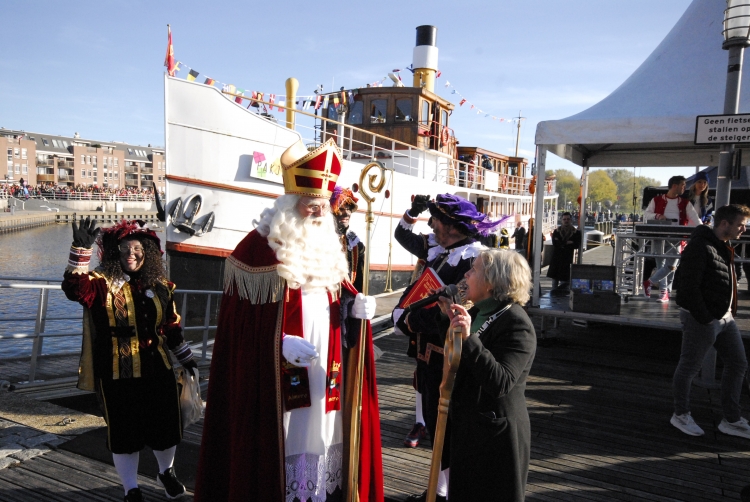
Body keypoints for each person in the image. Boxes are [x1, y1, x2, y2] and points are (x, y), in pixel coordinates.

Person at [194, 139, 383, 502]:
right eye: (310, 207)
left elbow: (338, 297)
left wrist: (356, 310)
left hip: (327, 371)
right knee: (286, 442)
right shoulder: (256, 249)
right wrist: (277, 344)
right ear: (288, 204)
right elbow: (238, 332)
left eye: (321, 208)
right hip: (278, 379)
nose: (316, 215)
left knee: (327, 435)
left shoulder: (329, 246)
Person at [62, 217, 196, 502]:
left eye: (137, 249)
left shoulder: (161, 286)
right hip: (116, 372)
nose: (131, 255)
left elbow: (171, 327)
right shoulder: (100, 285)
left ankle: (166, 472)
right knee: (125, 435)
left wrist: (187, 359)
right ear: (113, 253)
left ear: (147, 253)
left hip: (158, 369)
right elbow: (74, 290)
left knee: (166, 428)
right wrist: (79, 251)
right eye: (124, 249)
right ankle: (130, 489)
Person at [393, 193, 500, 502]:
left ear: (453, 226)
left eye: (437, 219)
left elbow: (459, 308)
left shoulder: (473, 260)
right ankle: (439, 491)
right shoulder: (446, 251)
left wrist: (408, 320)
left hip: (450, 358)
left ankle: (446, 494)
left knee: (450, 428)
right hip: (431, 354)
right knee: (437, 423)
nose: (433, 224)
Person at [436, 249, 536, 502]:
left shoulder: (516, 323)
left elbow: (500, 382)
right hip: (469, 428)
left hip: (495, 438)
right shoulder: (479, 312)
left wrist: (469, 338)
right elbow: (459, 360)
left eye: (474, 270)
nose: (466, 274)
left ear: (491, 282)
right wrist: (448, 319)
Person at [670, 204, 750, 439]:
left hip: (724, 317)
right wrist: (705, 318)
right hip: (704, 319)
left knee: (737, 363)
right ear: (724, 224)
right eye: (740, 224)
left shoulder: (723, 245)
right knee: (689, 368)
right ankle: (681, 414)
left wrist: (726, 313)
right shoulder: (699, 247)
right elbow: (686, 289)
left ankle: (731, 419)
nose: (743, 229)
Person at [642, 176, 702, 303]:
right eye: (683, 185)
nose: (684, 188)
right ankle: (664, 293)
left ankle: (650, 282)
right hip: (659, 236)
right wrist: (658, 216)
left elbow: (695, 219)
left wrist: (703, 230)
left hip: (677, 237)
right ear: (675, 186)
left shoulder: (685, 203)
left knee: (671, 266)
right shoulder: (656, 200)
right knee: (660, 265)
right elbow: (646, 214)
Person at [330, 185, 365, 292]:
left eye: (349, 209)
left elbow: (359, 281)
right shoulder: (322, 240)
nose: (346, 213)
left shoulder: (356, 244)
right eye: (341, 209)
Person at [546, 212, 582, 291]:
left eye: (568, 219)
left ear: (571, 220)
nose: (566, 221)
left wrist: (561, 242)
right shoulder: (556, 231)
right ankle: (554, 298)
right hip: (556, 260)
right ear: (561, 220)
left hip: (567, 259)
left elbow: (576, 245)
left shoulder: (576, 233)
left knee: (565, 284)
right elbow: (555, 244)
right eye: (564, 219)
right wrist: (568, 242)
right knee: (554, 284)